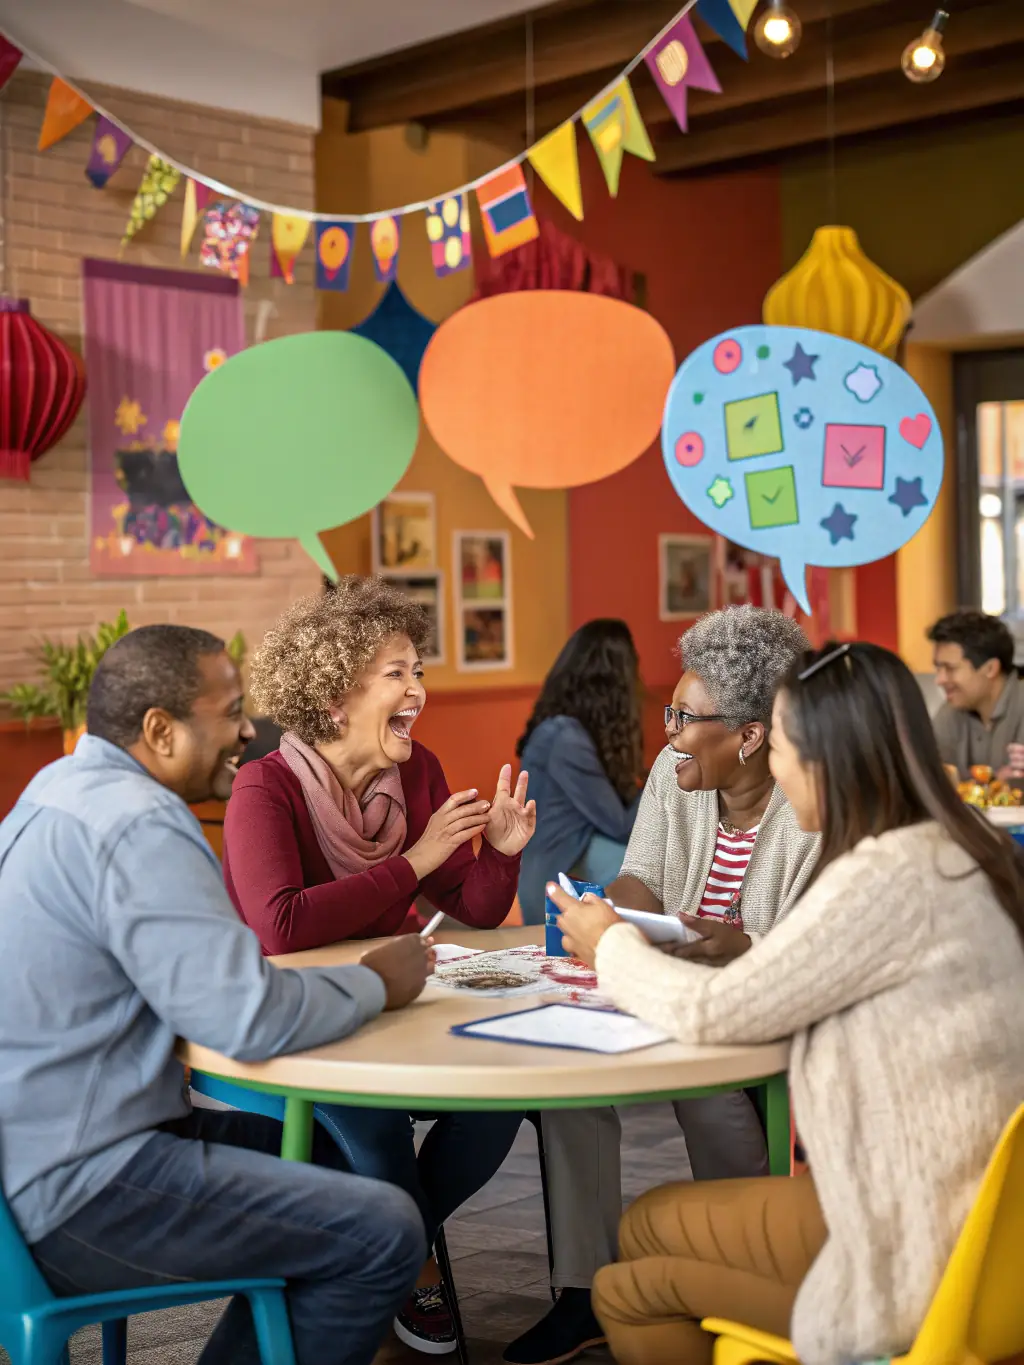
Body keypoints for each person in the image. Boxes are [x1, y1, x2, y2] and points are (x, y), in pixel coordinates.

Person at [550, 640, 1024, 1365]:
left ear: (829, 758)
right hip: (972, 1231)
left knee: (624, 1287)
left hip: (904, 1261)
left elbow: (717, 1013)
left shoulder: (877, 880)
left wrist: (609, 944)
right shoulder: (960, 851)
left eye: (783, 747)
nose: (774, 765)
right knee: (642, 1227)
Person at [0, 625, 437, 1365]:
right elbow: (246, 1017)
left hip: (28, 1169)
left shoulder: (52, 791)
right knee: (385, 1228)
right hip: (83, 1191)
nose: (246, 729)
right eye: (230, 710)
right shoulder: (140, 822)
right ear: (160, 730)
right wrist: (375, 982)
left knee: (328, 1157)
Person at [223, 576, 534, 1355]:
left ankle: (393, 1248)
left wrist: (498, 852)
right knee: (376, 1123)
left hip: (392, 1001)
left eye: (418, 670)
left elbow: (472, 903)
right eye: (397, 672)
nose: (418, 688)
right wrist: (415, 859)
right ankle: (416, 1268)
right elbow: (281, 926)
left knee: (499, 1099)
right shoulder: (265, 787)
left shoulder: (415, 770)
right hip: (290, 1022)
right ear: (335, 697)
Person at [505, 606, 819, 1365]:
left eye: (686, 717)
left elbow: (811, 954)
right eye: (669, 711)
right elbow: (642, 874)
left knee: (705, 1086)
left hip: (749, 1009)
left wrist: (734, 942)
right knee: (569, 1079)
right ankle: (581, 1293)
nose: (668, 732)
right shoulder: (671, 778)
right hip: (662, 982)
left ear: (750, 735)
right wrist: (608, 913)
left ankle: (747, 1260)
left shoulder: (809, 805)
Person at [516, 620, 644, 924]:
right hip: (551, 885)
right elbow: (621, 826)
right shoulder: (565, 739)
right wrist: (662, 774)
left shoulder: (564, 730)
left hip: (563, 867)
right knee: (647, 876)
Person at [928, 608, 1024, 783]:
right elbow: (933, 780)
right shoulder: (951, 711)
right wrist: (995, 782)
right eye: (938, 668)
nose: (939, 680)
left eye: (950, 668)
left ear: (990, 669)